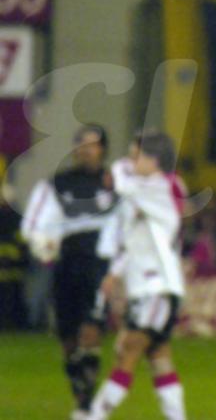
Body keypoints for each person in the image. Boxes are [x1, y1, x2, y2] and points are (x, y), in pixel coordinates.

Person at [20, 125, 118, 420]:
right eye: (80, 144)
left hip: (100, 265)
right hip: (68, 263)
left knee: (90, 331)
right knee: (68, 339)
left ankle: (86, 405)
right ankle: (80, 395)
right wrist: (42, 241)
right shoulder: (58, 184)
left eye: (91, 144)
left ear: (102, 149)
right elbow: (34, 224)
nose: (84, 149)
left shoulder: (116, 183)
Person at [88, 130, 187, 420]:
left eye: (135, 156)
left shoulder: (161, 186)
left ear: (154, 160)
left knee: (126, 352)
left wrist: (121, 168)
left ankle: (93, 415)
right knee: (159, 358)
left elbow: (116, 180)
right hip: (146, 287)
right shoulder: (143, 192)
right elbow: (133, 239)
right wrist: (115, 273)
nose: (129, 162)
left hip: (157, 288)